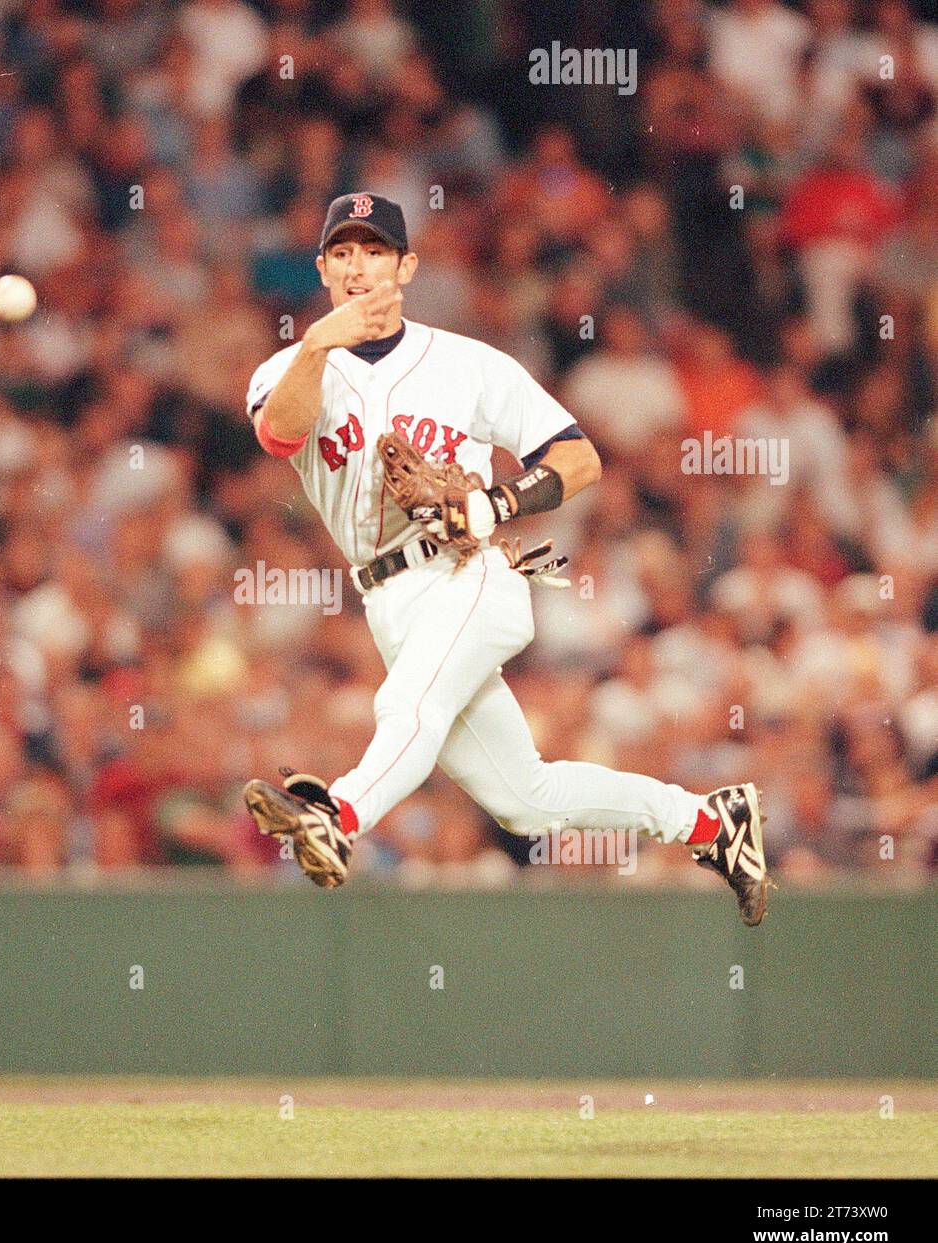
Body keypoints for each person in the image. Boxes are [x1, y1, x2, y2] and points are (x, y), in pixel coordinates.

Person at [241, 193, 769, 924]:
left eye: (375, 251)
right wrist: (316, 346)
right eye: (343, 253)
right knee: (527, 800)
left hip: (469, 576)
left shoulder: (467, 364)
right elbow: (281, 436)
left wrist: (499, 501)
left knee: (405, 706)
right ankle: (712, 823)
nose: (358, 267)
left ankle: (338, 815)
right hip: (389, 602)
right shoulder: (287, 369)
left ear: (407, 266)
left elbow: (579, 459)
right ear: (323, 269)